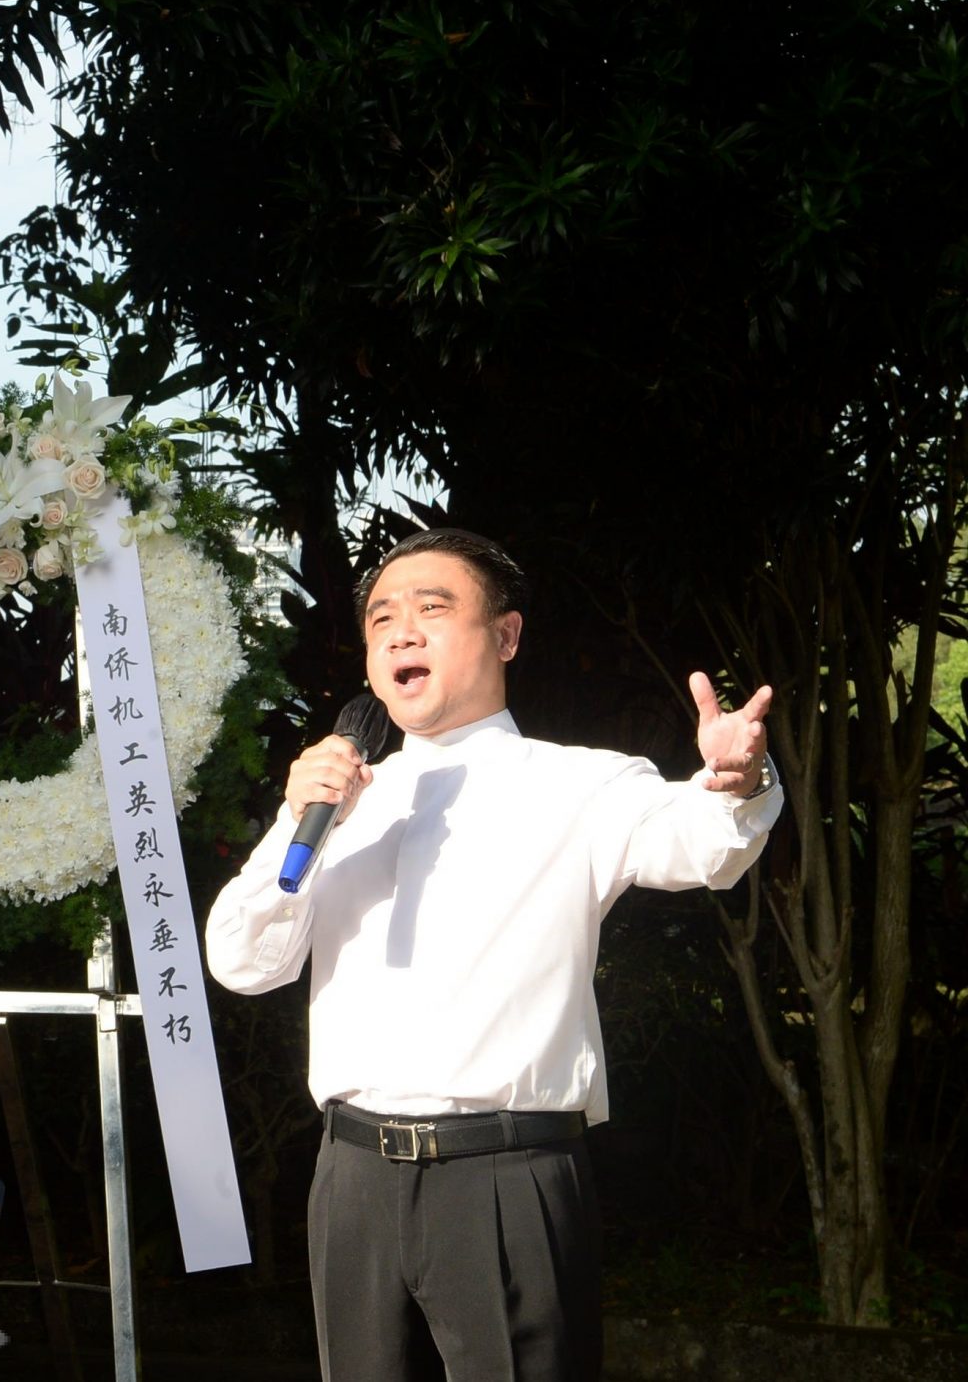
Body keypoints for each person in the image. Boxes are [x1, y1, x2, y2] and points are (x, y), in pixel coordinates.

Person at [205, 528, 781, 1382]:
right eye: (381, 619)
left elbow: (702, 844)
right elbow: (243, 961)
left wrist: (740, 782)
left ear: (506, 636)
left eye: (432, 609)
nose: (401, 632)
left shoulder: (582, 784)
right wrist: (300, 820)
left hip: (507, 1176)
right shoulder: (339, 800)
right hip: (352, 1177)